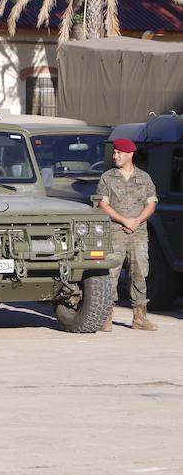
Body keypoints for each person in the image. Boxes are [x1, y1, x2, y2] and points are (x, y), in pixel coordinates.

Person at [96, 137, 158, 331]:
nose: (115, 156)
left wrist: (137, 221)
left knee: (140, 273)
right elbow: (102, 204)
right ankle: (106, 316)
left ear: (130, 154)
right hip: (115, 233)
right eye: (114, 153)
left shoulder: (144, 178)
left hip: (138, 235)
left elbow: (152, 203)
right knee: (110, 275)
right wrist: (124, 220)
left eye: (119, 153)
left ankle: (140, 317)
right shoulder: (107, 177)